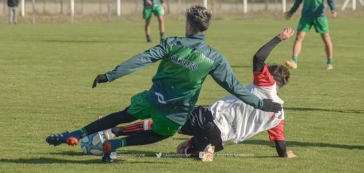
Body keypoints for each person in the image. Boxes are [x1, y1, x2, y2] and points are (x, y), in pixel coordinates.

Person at [46, 5, 282, 163]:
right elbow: (235, 88)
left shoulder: (171, 44)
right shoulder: (215, 58)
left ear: (189, 25)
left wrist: (110, 75)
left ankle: (78, 133)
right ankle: (116, 144)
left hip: (151, 100)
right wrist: (260, 104)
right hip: (176, 115)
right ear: (205, 28)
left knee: (122, 115)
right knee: (158, 134)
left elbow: (142, 59)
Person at [105, 28, 296, 161]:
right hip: (221, 140)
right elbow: (280, 145)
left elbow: (258, 57)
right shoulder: (279, 114)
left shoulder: (265, 83)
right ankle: (198, 150)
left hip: (208, 119)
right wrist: (286, 154)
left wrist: (279, 38)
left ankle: (117, 130)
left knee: (171, 119)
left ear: (269, 76)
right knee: (182, 149)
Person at [284, 0, 336, 70]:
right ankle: (294, 61)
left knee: (326, 38)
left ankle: (329, 62)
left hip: (319, 16)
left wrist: (333, 9)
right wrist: (292, 11)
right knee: (299, 37)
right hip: (306, 16)